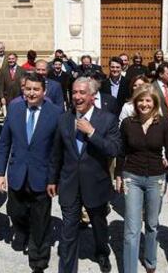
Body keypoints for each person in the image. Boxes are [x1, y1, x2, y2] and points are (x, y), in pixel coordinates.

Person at [48, 76, 121, 273]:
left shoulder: (107, 119)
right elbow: (57, 153)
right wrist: (52, 179)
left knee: (99, 225)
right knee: (68, 231)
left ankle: (102, 252)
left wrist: (92, 133)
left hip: (95, 184)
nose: (77, 96)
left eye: (82, 92)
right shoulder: (64, 119)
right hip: (69, 183)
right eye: (74, 92)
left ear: (92, 96)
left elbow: (114, 149)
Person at [0, 73, 62, 273]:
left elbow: (57, 150)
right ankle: (23, 231)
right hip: (17, 173)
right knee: (16, 212)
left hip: (42, 176)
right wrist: (0, 173)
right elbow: (4, 142)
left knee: (40, 220)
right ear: (23, 90)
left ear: (44, 91)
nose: (31, 93)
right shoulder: (14, 109)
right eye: (28, 89)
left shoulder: (56, 113)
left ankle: (38, 259)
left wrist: (54, 178)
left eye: (36, 89)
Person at [115, 85, 168, 273]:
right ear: (135, 102)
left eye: (148, 100)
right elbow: (121, 152)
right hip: (131, 177)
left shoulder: (164, 123)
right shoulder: (127, 123)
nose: (144, 104)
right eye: (140, 100)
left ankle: (150, 262)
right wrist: (118, 175)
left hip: (156, 179)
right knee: (131, 228)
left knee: (151, 224)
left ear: (155, 103)